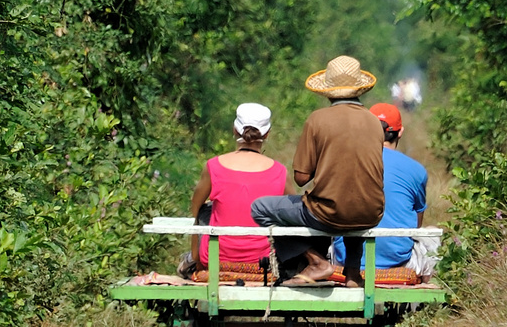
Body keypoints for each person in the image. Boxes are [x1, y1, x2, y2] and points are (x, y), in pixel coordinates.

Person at [250, 56, 385, 286]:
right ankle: (352, 273)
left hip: (326, 215)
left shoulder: (318, 119)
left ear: (328, 91)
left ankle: (317, 261)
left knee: (261, 208)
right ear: (358, 90)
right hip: (372, 214)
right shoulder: (374, 121)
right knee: (356, 200)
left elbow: (301, 178)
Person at [179, 103, 289, 279]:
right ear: (267, 134)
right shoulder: (280, 171)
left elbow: (195, 208)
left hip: (216, 260)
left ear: (235, 129)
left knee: (204, 210)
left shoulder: (214, 166)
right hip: (263, 262)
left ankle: (194, 260)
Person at [332, 102, 428, 275]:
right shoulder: (417, 170)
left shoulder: (343, 162)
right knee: (430, 238)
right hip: (397, 259)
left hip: (346, 258)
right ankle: (427, 296)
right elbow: (417, 223)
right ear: (400, 132)